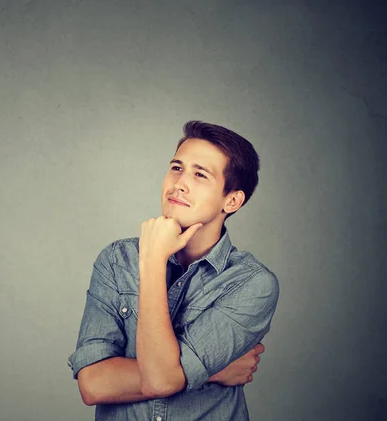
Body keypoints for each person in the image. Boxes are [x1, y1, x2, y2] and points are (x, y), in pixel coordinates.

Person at [67, 121, 280, 420]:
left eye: (200, 174)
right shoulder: (118, 260)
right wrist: (212, 370)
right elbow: (93, 385)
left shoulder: (252, 283)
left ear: (231, 200)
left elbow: (160, 381)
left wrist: (153, 262)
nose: (179, 183)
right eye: (177, 168)